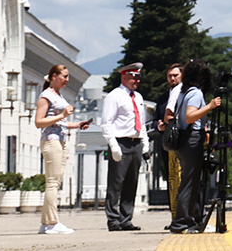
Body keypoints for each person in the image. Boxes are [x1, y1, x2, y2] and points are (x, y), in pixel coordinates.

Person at [34, 64, 91, 235]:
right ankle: (51, 222)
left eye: (67, 77)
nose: (67, 80)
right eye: (64, 76)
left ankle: (46, 223)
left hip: (60, 139)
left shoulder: (58, 95)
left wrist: (77, 125)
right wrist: (63, 115)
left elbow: (60, 123)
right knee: (52, 182)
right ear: (53, 76)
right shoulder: (46, 96)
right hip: (51, 141)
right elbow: (39, 122)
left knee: (55, 182)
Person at [169, 59, 223, 233]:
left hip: (186, 140)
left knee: (189, 180)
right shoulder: (195, 93)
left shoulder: (185, 92)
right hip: (191, 139)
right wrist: (210, 106)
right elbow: (190, 116)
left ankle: (188, 219)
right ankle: (182, 221)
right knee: (190, 182)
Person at [100, 62, 147, 231]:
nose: (136, 81)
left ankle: (126, 218)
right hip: (120, 141)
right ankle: (113, 219)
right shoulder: (115, 96)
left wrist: (145, 143)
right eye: (133, 77)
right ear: (124, 76)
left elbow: (141, 122)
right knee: (116, 183)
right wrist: (113, 145)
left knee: (131, 182)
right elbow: (106, 123)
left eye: (138, 77)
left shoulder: (138, 97)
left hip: (135, 142)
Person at [154, 63, 183, 228]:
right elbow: (157, 119)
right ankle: (173, 216)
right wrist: (160, 126)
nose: (172, 78)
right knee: (171, 180)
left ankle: (183, 215)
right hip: (167, 143)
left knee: (182, 179)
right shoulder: (163, 99)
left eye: (175, 75)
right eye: (170, 76)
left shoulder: (185, 94)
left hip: (182, 142)